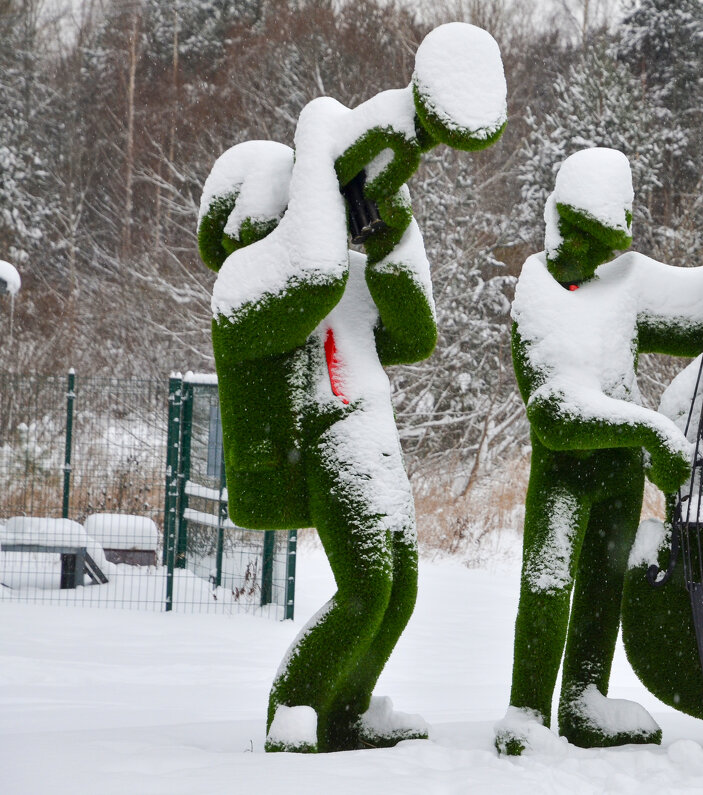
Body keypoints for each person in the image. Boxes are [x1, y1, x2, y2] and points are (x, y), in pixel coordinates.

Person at [196, 23, 506, 753]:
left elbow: (414, 333)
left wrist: (387, 227)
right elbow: (312, 274)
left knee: (398, 590)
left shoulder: (339, 274)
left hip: (374, 435)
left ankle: (348, 708)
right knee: (366, 585)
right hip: (324, 441)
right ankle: (295, 707)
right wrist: (318, 142)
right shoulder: (245, 285)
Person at [494, 147, 703, 753]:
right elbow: (557, 413)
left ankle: (583, 699)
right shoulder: (537, 294)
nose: (595, 257)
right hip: (566, 474)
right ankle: (527, 711)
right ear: (560, 226)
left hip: (619, 474)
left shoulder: (623, 284)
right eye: (587, 241)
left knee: (604, 584)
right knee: (548, 585)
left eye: (605, 245)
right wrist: (650, 430)